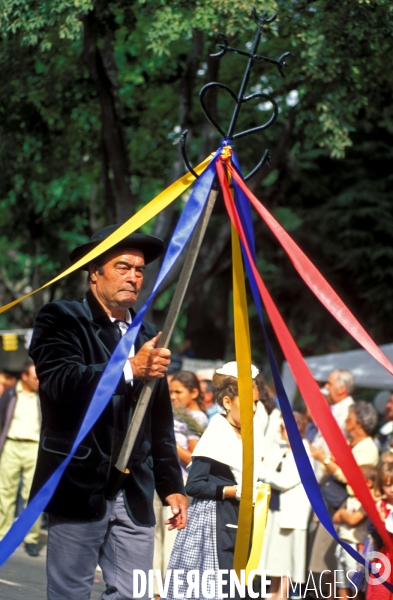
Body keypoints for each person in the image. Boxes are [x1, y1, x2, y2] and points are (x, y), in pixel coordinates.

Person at [28, 225, 187, 600]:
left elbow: (158, 417)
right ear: (94, 272)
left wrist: (170, 485)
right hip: (79, 482)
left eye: (139, 270)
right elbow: (61, 382)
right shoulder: (61, 317)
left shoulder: (146, 331)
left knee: (133, 593)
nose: (133, 276)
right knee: (70, 592)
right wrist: (130, 368)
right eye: (122, 267)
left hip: (134, 491)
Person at [166, 361, 262, 599]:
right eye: (249, 401)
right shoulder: (217, 431)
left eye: (257, 403)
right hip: (214, 521)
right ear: (228, 403)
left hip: (241, 518)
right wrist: (233, 491)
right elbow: (194, 484)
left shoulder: (251, 432)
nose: (254, 408)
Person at [309, 400, 379, 593]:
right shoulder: (350, 443)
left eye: (350, 417)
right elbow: (333, 467)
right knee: (330, 559)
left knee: (342, 563)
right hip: (334, 502)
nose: (346, 420)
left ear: (359, 422)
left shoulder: (368, 448)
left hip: (348, 506)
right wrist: (329, 461)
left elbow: (351, 478)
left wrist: (324, 458)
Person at [152, 371, 207, 598]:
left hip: (180, 481)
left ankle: (168, 590)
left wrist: (169, 445)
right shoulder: (173, 413)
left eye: (178, 392)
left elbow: (195, 455)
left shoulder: (196, 418)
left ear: (194, 393)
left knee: (171, 536)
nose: (173, 396)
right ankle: (154, 589)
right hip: (160, 477)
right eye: (171, 391)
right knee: (154, 533)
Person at [258, 412, 314, 600]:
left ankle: (281, 595)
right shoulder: (281, 448)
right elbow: (264, 465)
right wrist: (265, 471)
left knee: (288, 560)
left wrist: (265, 474)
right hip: (276, 510)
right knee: (275, 558)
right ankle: (272, 595)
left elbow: (284, 480)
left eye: (283, 428)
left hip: (292, 515)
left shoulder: (304, 451)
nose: (280, 431)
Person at [0, 359, 41, 556]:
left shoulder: (43, 396)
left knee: (32, 495)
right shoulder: (10, 393)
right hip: (11, 444)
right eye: (34, 377)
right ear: (24, 376)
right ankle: (3, 534)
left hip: (34, 447)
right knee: (5, 493)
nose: (38, 381)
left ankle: (31, 538)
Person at [332, 464, 378, 600]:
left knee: (355, 586)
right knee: (342, 585)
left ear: (368, 483)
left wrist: (343, 513)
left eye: (354, 481)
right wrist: (342, 514)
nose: (349, 484)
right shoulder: (351, 499)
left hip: (356, 547)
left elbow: (353, 520)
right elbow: (335, 518)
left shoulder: (369, 501)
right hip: (343, 544)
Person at [366, 462, 393, 600]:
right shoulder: (380, 506)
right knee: (381, 591)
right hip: (386, 557)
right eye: (387, 485)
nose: (392, 490)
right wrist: (380, 522)